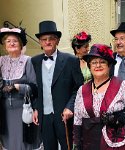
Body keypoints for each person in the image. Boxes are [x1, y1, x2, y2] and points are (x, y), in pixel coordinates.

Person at [73, 44, 125, 150]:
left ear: (109, 65)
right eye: (94, 62)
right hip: (89, 145)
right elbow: (77, 121)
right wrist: (77, 144)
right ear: (89, 66)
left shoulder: (124, 87)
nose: (98, 65)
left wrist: (117, 118)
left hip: (115, 145)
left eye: (102, 62)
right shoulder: (82, 90)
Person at [32, 20, 84, 150]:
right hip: (44, 116)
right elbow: (33, 88)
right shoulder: (35, 61)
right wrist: (35, 108)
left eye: (51, 39)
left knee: (68, 147)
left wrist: (70, 107)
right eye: (44, 39)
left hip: (64, 115)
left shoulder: (70, 60)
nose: (47, 42)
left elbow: (79, 87)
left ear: (57, 41)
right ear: (40, 42)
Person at [0, 27, 41, 150]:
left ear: (21, 44)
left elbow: (34, 88)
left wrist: (18, 87)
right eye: (8, 41)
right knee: (9, 143)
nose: (12, 43)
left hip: (23, 110)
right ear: (4, 45)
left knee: (25, 144)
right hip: (5, 111)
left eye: (15, 41)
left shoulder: (28, 61)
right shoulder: (1, 61)